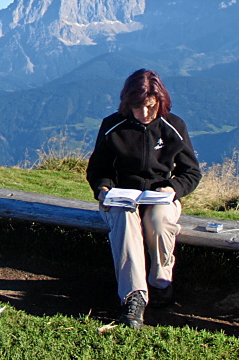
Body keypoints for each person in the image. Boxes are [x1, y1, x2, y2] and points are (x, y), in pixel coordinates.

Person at [86, 69, 201, 329]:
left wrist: (173, 189)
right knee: (126, 223)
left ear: (160, 102)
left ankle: (161, 283)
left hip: (161, 198)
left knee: (159, 223)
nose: (145, 114)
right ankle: (133, 298)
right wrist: (103, 189)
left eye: (150, 107)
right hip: (121, 198)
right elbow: (97, 169)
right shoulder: (113, 126)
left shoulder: (174, 126)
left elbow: (191, 171)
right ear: (128, 104)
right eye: (138, 108)